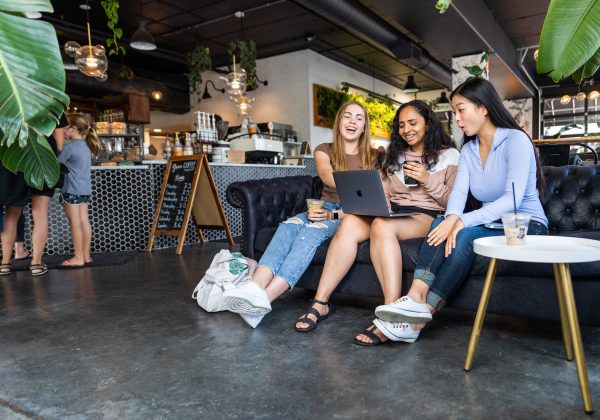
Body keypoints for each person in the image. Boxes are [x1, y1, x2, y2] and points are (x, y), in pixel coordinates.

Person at [374, 78, 549, 338]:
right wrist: (451, 218)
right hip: (490, 223)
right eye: (455, 112)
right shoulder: (469, 149)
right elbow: (458, 193)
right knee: (441, 223)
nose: (456, 118)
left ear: (483, 108)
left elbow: (511, 201)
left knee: (462, 235)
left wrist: (461, 222)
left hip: (524, 224)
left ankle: (417, 321)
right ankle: (414, 297)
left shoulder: (516, 141)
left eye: (460, 109)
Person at [293, 100, 459, 345]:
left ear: (428, 123)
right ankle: (320, 302)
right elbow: (382, 190)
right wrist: (375, 202)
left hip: (425, 215)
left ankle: (390, 314)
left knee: (381, 225)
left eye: (413, 123)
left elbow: (452, 201)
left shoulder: (449, 154)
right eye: (401, 125)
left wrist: (426, 178)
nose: (407, 129)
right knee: (350, 223)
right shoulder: (394, 155)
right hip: (392, 212)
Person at [221, 100, 376, 328]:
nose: (352, 121)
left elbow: (372, 199)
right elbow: (326, 176)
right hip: (323, 206)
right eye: (347, 116)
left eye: (359, 118)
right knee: (288, 226)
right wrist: (362, 183)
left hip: (350, 214)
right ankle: (253, 290)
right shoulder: (324, 149)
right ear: (339, 121)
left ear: (364, 127)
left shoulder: (374, 155)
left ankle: (264, 301)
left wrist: (347, 205)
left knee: (310, 233)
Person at [57, 114, 101, 268]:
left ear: (73, 129)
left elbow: (57, 162)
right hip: (85, 190)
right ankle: (86, 255)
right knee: (84, 221)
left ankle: (78, 257)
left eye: (65, 127)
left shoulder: (69, 146)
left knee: (75, 223)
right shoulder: (86, 146)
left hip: (71, 190)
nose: (62, 130)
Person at [28, 112, 69, 276]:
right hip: (43, 161)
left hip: (18, 159)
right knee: (39, 214)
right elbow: (59, 144)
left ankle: (5, 263)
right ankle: (36, 263)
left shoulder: (10, 98)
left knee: (12, 212)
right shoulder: (54, 106)